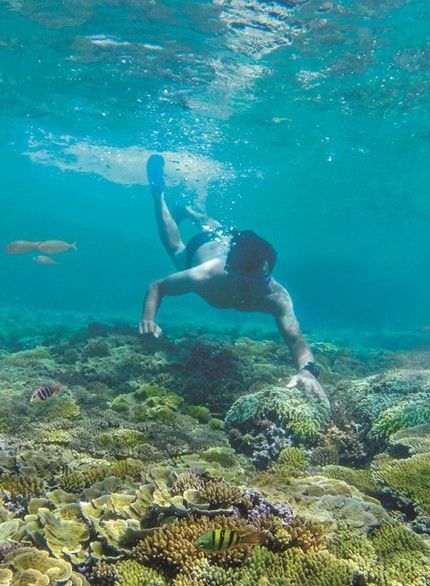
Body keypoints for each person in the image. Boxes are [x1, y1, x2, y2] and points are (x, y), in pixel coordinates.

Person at [138, 154, 330, 409]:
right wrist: (149, 320)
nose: (254, 288)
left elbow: (296, 340)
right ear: (230, 270)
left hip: (231, 242)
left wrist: (307, 371)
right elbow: (158, 287)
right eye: (246, 279)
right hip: (201, 249)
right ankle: (158, 193)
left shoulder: (274, 295)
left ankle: (192, 213)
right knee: (175, 250)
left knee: (221, 231)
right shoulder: (204, 276)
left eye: (262, 278)